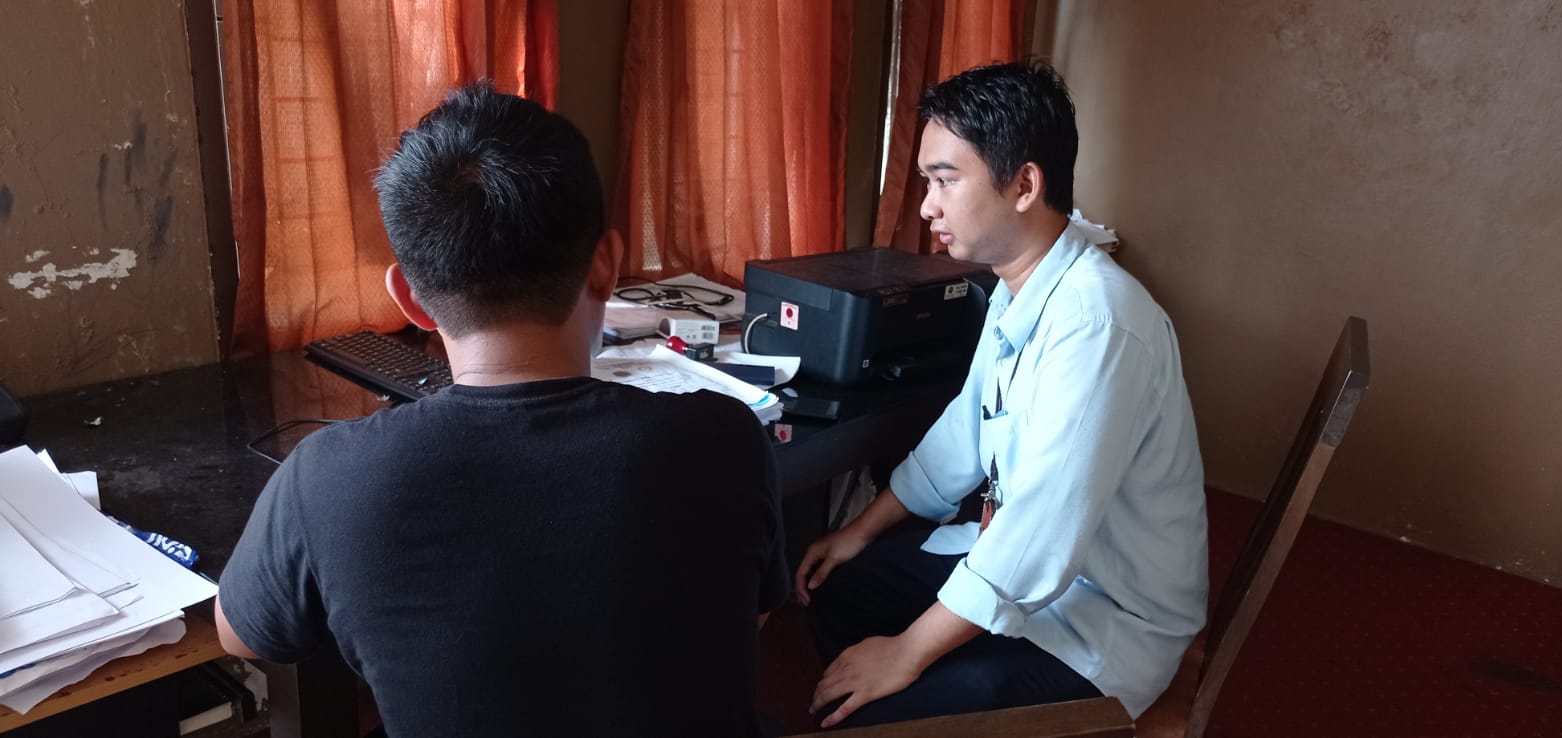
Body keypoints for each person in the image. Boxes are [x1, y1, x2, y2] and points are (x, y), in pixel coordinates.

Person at [214, 82, 788, 738]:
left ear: (410, 298)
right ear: (606, 264)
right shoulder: (726, 440)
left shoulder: (326, 479)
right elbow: (749, 615)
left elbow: (243, 635)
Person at [795, 60, 1208, 729]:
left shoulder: (1097, 323)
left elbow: (1040, 530)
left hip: (1102, 622)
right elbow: (965, 432)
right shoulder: (1017, 287)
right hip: (1035, 572)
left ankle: (911, 699)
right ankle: (906, 692)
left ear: (1024, 185)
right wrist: (858, 531)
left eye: (944, 180)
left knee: (887, 711)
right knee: (841, 586)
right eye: (927, 181)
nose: (927, 206)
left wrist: (907, 653)